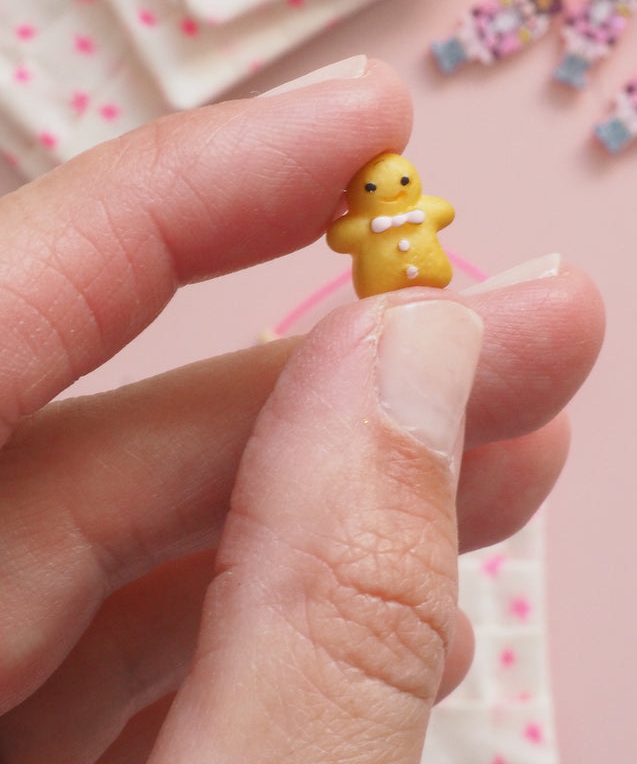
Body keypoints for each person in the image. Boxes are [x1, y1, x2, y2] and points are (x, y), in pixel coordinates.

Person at [0, 58, 604, 763]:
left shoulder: (415, 210)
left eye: (395, 186)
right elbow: (348, 235)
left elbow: (434, 213)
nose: (391, 193)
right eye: (378, 189)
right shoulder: (365, 227)